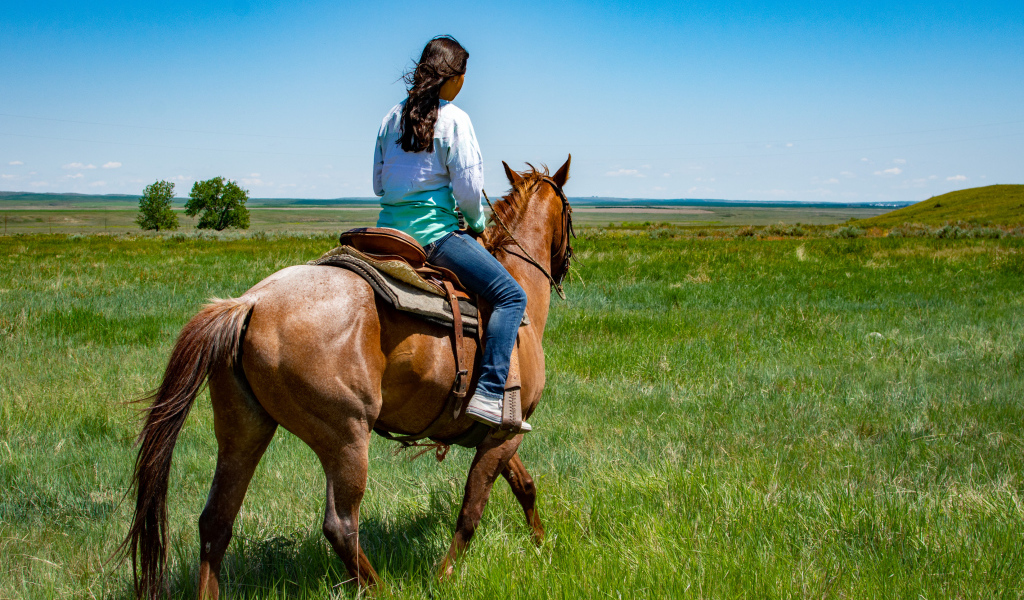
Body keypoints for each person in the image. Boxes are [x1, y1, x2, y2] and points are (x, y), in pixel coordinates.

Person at [373, 36, 531, 432]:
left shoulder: (389, 117)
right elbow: (467, 190)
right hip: (433, 238)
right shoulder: (456, 119)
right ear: (454, 79)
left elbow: (378, 185)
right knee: (512, 295)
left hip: (385, 235)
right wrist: (477, 224)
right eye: (464, 76)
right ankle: (492, 395)